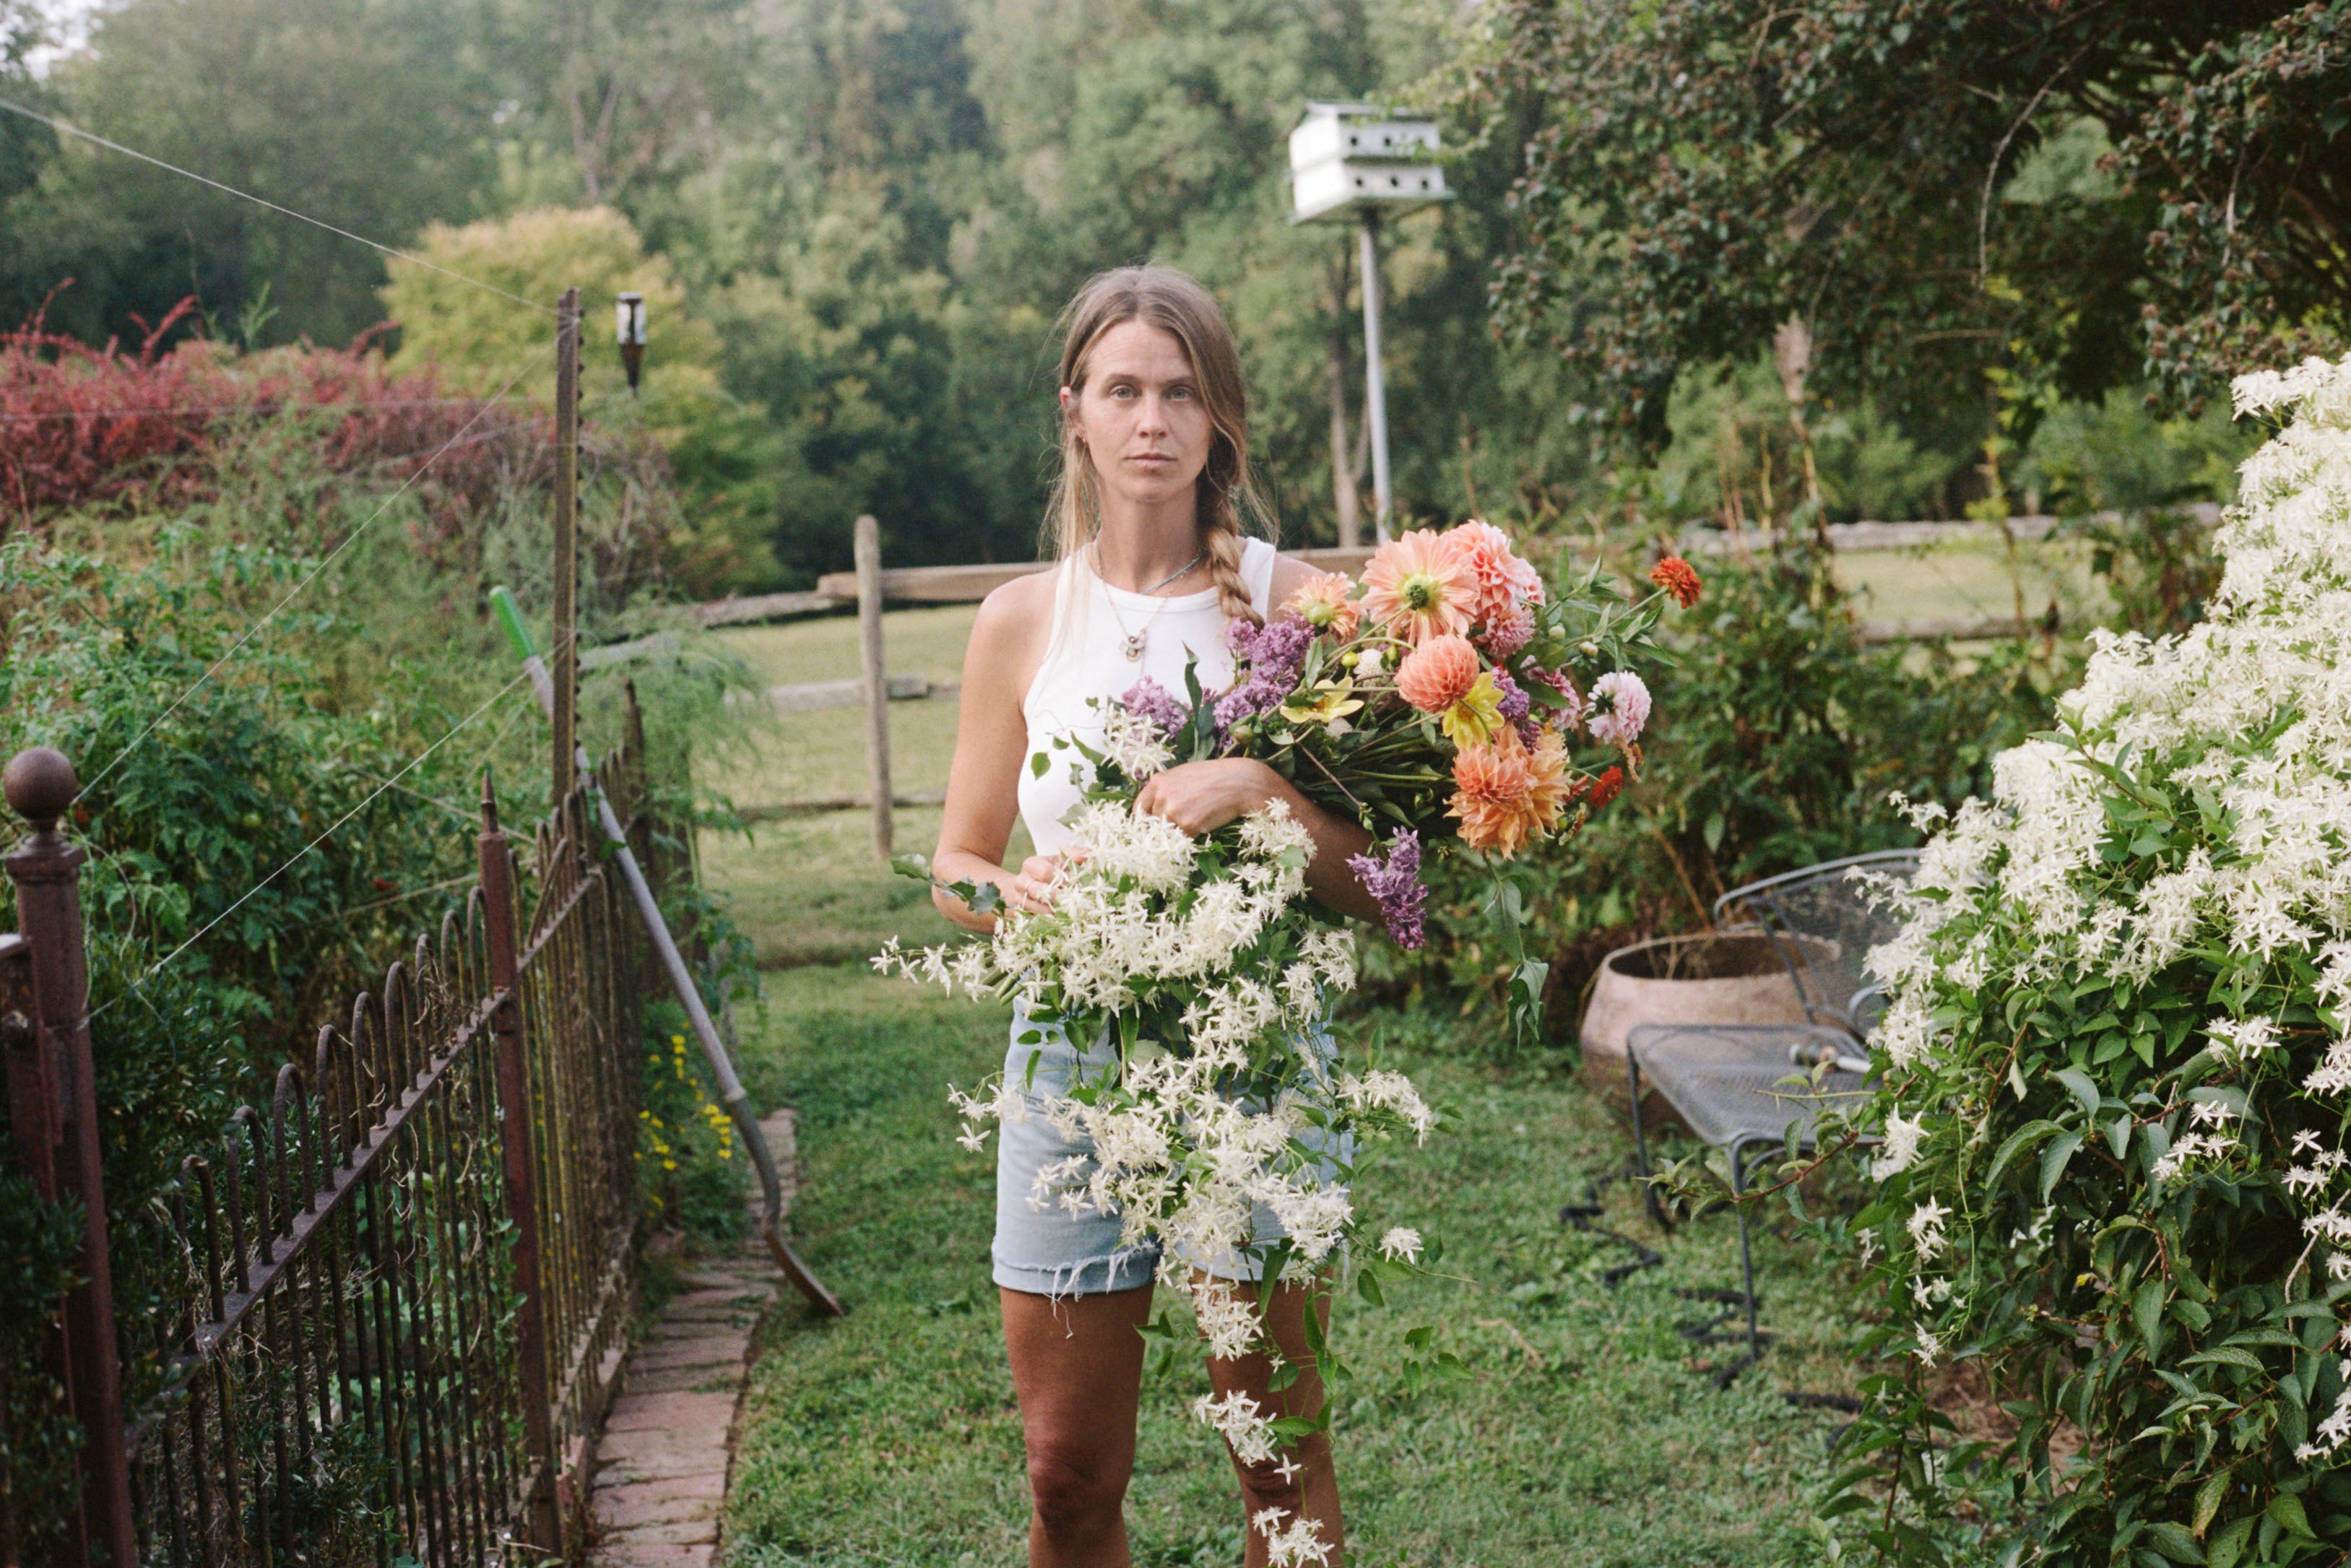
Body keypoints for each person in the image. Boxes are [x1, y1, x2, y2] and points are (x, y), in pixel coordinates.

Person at [929, 264, 1382, 1568]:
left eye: (1181, 393)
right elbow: (958, 861)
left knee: (1277, 1460)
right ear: (1074, 409)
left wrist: (1259, 790)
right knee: (1068, 1476)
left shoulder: (1300, 609)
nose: (1151, 421)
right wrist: (1014, 899)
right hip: (1070, 1066)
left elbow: (1379, 880)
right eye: (1123, 390)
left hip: (1259, 1064)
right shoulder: (1021, 621)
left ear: (1219, 416)